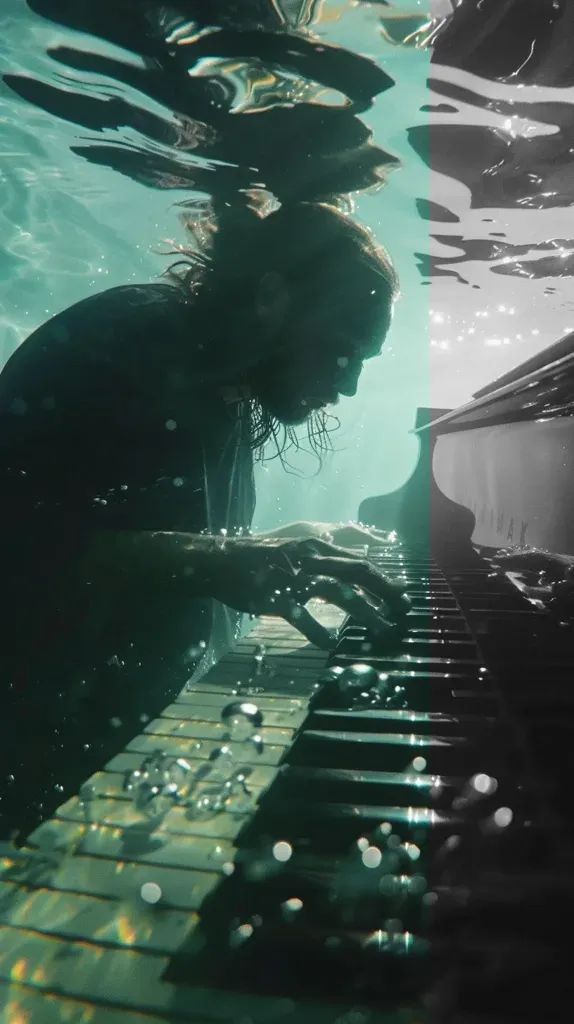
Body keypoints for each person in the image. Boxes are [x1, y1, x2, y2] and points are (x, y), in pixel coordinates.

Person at [0, 200, 406, 837]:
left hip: (91, 733)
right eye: (341, 349)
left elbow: (142, 535)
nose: (349, 384)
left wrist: (285, 544)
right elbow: (19, 544)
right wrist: (215, 560)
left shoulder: (225, 371)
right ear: (272, 296)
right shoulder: (132, 343)